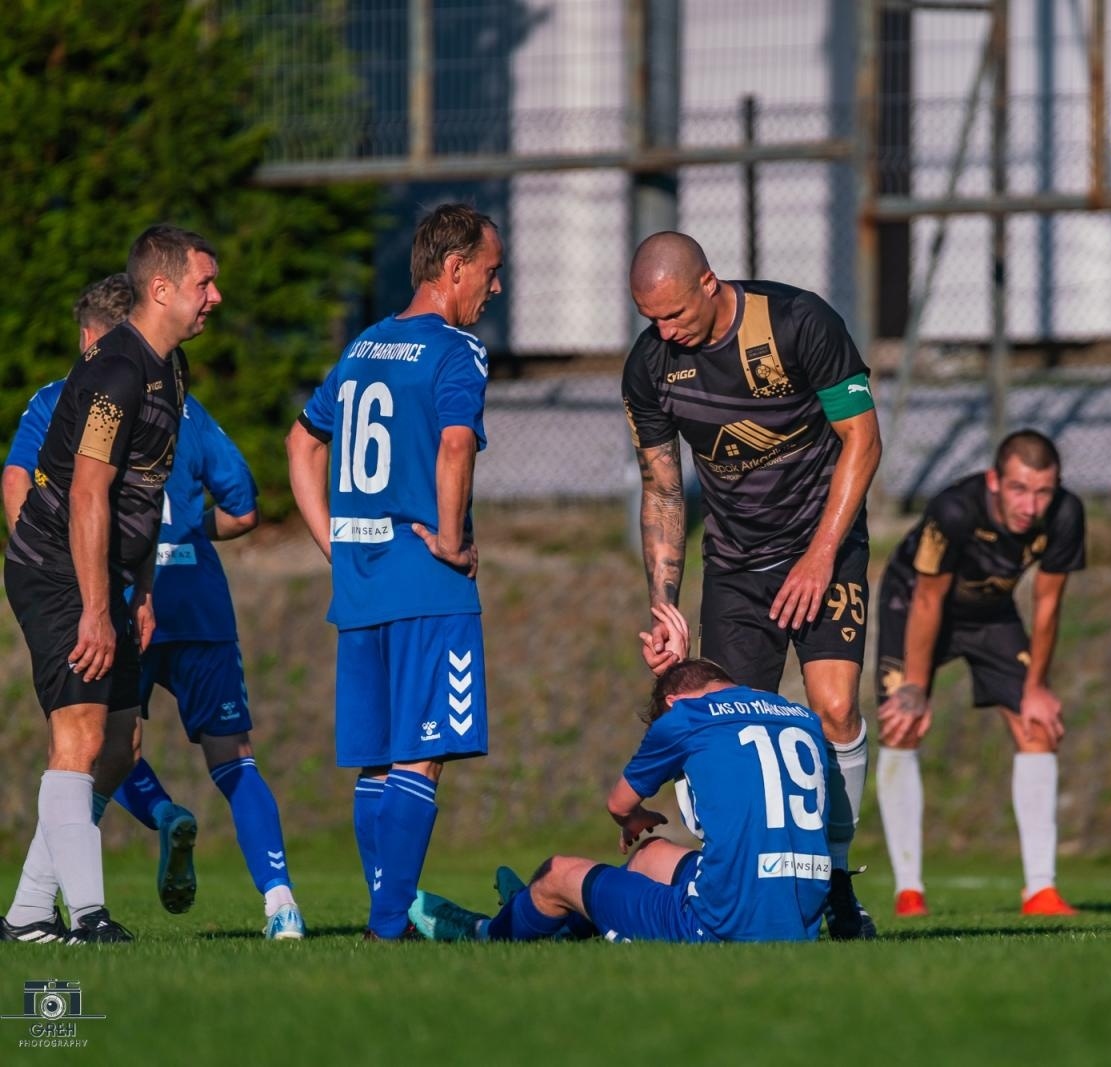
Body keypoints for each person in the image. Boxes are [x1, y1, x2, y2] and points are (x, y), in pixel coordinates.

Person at [3, 274, 304, 940]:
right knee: (135, 745)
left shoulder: (72, 396)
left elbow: (27, 481)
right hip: (161, 594)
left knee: (112, 746)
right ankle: (268, 903)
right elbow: (242, 506)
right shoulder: (174, 405)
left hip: (121, 591)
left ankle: (34, 908)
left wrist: (114, 580)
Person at [621, 231, 882, 938]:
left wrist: (822, 553)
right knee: (726, 731)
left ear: (709, 282)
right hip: (735, 565)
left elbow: (864, 438)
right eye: (652, 319)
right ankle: (731, 887)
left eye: (673, 315)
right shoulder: (650, 366)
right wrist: (665, 602)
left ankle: (834, 881)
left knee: (832, 709)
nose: (664, 332)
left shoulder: (799, 322)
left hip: (823, 548)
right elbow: (663, 488)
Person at [286, 202, 499, 940]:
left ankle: (389, 915)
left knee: (377, 762)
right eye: (491, 273)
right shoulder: (457, 351)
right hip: (423, 581)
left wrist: (333, 543)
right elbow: (453, 445)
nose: (493, 289)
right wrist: (448, 539)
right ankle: (387, 926)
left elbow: (299, 444)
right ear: (455, 268)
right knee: (422, 754)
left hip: (363, 583)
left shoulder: (362, 348)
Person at [3, 225, 216, 943]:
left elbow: (143, 491)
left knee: (121, 742)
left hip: (108, 577)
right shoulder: (114, 373)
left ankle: (28, 914)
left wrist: (143, 588)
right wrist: (98, 608)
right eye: (203, 284)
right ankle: (89, 916)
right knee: (83, 731)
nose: (214, 297)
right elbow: (90, 494)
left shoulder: (171, 369)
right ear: (163, 290)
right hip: (55, 570)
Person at [407, 604, 831, 944]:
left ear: (671, 701)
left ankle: (486, 932)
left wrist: (632, 819)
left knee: (555, 873)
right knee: (650, 854)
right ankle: (553, 920)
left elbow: (619, 804)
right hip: (797, 920)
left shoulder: (683, 716)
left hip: (719, 925)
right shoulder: (798, 715)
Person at [875, 429, 1086, 918]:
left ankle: (1041, 890)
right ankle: (909, 891)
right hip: (915, 606)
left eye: (1042, 491)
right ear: (995, 481)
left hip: (991, 614)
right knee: (901, 724)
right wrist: (916, 687)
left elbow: (1048, 603)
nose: (1030, 505)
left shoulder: (1067, 514)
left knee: (1038, 727)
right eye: (1018, 489)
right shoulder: (953, 510)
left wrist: (1037, 688)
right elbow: (928, 599)